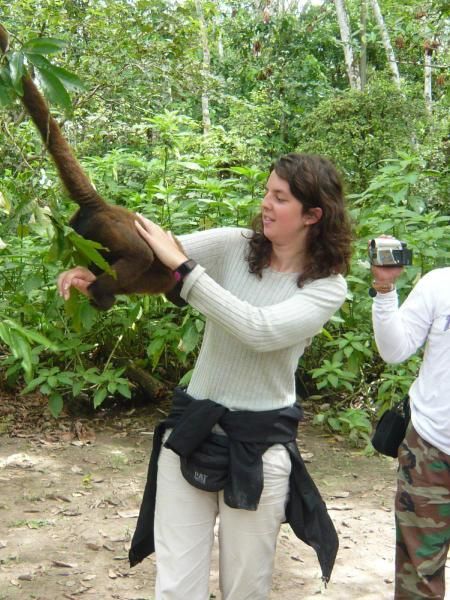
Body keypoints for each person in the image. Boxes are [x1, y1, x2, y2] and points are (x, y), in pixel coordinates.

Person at [57, 153, 352, 600]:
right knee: (175, 588)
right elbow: (154, 255)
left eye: (280, 197)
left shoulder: (327, 286)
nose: (266, 203)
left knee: (245, 589)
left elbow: (259, 329)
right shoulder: (235, 244)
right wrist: (100, 272)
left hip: (258, 449)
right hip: (191, 431)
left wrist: (187, 270)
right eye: (266, 192)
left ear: (313, 215)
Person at [371, 261, 450, 599]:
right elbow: (395, 350)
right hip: (430, 449)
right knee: (418, 577)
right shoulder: (440, 284)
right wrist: (385, 290)